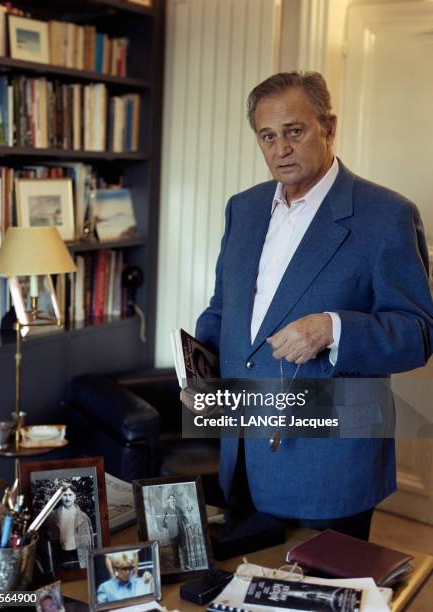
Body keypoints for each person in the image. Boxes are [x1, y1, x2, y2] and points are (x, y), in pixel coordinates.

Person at [193, 71, 433, 540]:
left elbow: (419, 333)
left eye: (294, 131)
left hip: (330, 465)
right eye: (267, 136)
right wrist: (199, 363)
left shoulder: (386, 215)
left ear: (329, 127)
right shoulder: (242, 209)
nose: (280, 148)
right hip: (242, 453)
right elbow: (224, 308)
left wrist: (333, 328)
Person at [46, 482, 94, 569]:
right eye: (64, 495)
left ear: (75, 496)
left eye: (70, 494)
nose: (67, 498)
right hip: (60, 556)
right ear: (60, 497)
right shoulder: (52, 516)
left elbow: (90, 542)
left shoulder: (83, 517)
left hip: (79, 556)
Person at [162, 493, 191, 569]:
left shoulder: (178, 508)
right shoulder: (166, 510)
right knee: (175, 553)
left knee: (184, 549)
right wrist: (169, 526)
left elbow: (184, 517)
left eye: (173, 498)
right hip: (173, 534)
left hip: (181, 533)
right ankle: (177, 568)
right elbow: (162, 522)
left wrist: (187, 523)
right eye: (171, 498)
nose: (173, 500)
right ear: (168, 500)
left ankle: (186, 566)